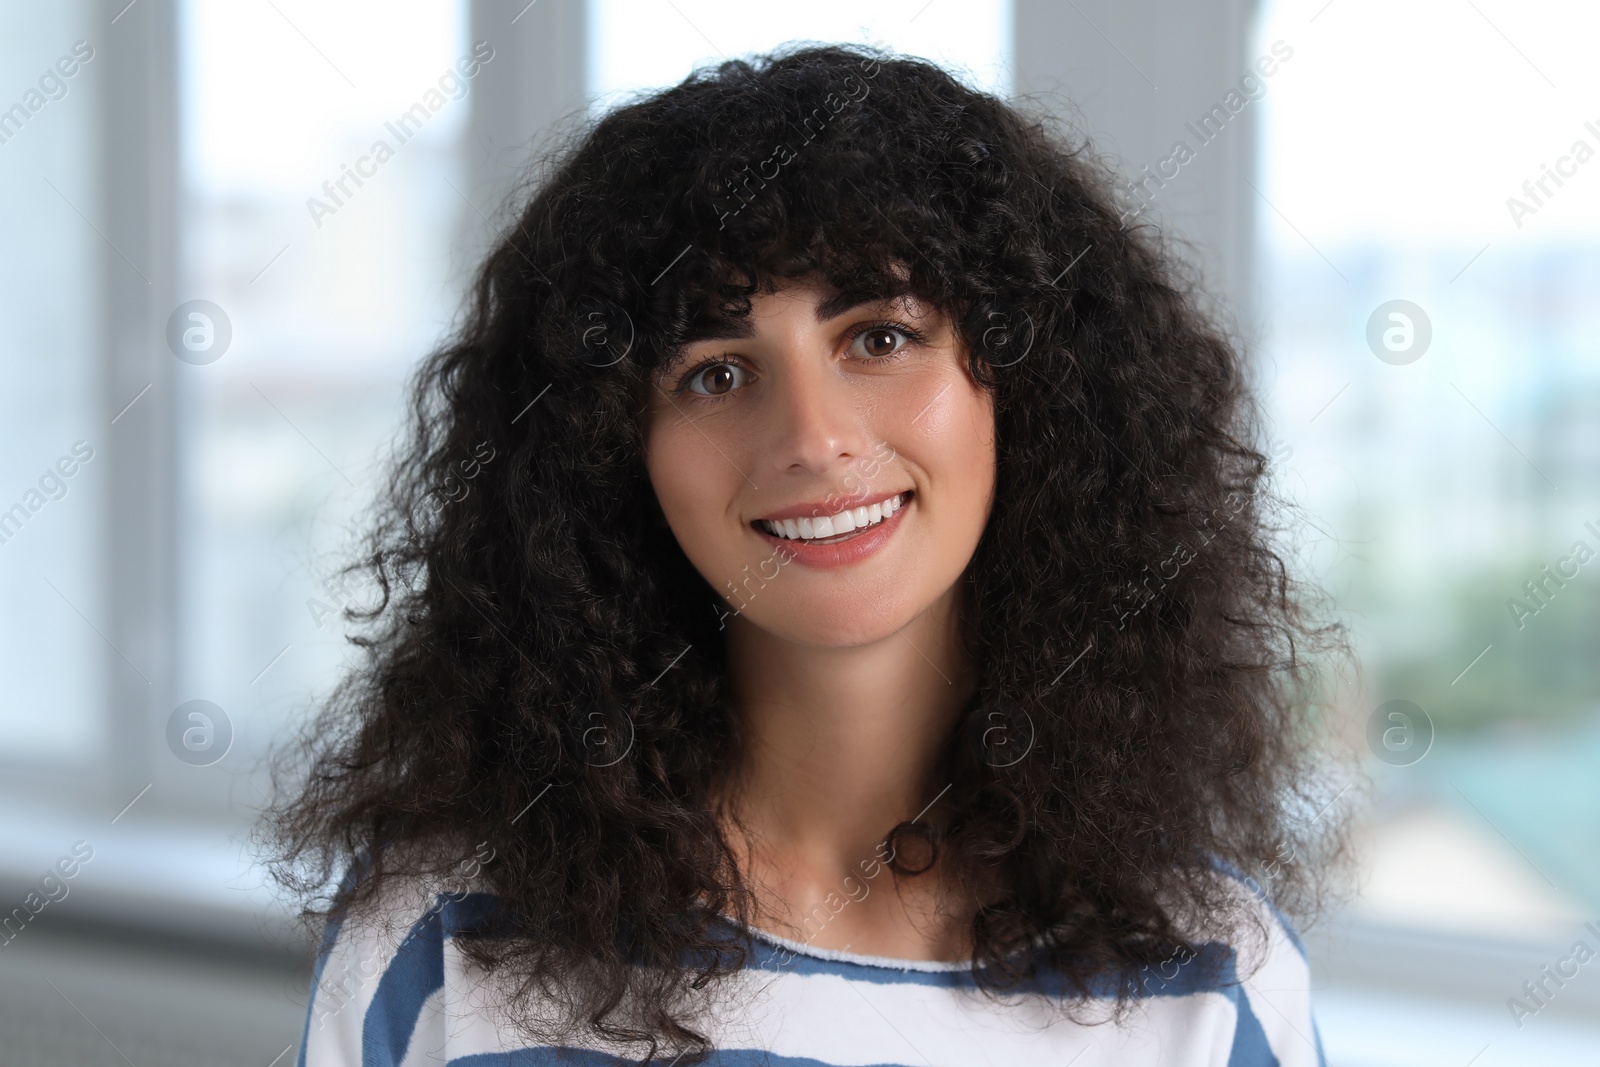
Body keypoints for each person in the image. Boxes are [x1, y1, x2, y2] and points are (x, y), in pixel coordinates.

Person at [265, 42, 1351, 1067]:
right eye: (715, 371)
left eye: (879, 337)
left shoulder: (1211, 981)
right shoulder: (438, 938)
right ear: (605, 456)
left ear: (1033, 389)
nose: (811, 438)